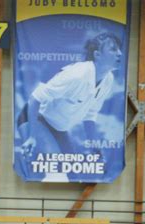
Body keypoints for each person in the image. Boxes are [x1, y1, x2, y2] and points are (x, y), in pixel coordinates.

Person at [19, 32, 123, 164]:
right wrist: (31, 136)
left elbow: (89, 116)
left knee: (73, 170)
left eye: (119, 49)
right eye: (113, 49)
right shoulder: (77, 75)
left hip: (59, 128)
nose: (119, 53)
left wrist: (95, 146)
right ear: (97, 55)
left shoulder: (108, 79)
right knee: (52, 166)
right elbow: (35, 99)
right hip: (36, 118)